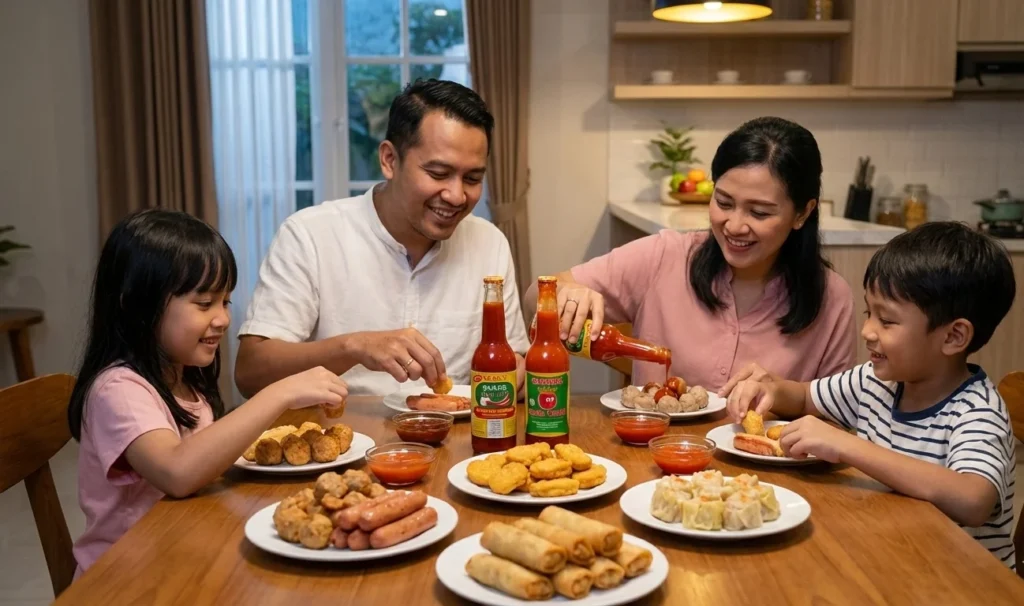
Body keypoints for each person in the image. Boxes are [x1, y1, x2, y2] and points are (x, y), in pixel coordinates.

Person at [68, 210, 347, 575]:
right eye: (204, 304)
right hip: (128, 577)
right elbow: (177, 472)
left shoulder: (186, 379)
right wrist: (278, 393)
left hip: (185, 553)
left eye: (225, 302)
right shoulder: (117, 389)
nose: (223, 319)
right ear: (136, 303)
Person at [726, 222, 1017, 569]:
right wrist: (771, 387)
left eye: (887, 321)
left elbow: (973, 500)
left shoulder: (978, 412)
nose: (867, 331)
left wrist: (849, 446)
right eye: (869, 313)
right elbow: (805, 397)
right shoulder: (875, 382)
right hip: (891, 560)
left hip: (963, 583)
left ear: (954, 337)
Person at [234, 79, 529, 397]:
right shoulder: (310, 235)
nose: (457, 196)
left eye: (472, 178)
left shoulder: (489, 243)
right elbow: (250, 372)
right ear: (390, 160)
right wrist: (353, 346)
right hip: (344, 436)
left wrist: (518, 371)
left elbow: (516, 360)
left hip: (456, 436)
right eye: (438, 174)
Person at [527, 116, 854, 391]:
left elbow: (837, 419)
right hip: (655, 458)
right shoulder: (665, 257)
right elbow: (533, 297)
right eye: (723, 203)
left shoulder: (832, 297)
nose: (735, 226)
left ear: (802, 213)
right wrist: (564, 294)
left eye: (760, 213)